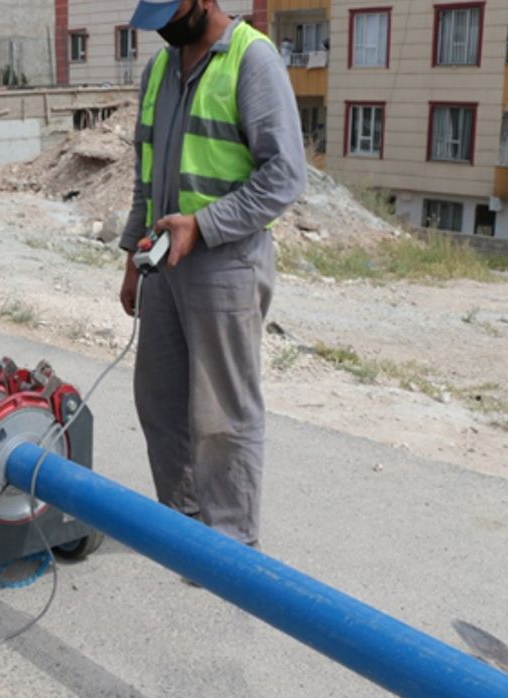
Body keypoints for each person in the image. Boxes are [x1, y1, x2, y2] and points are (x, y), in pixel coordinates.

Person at [119, 0, 305, 551]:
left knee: (223, 413)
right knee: (159, 400)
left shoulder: (252, 60)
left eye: (171, 16)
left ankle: (229, 546)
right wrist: (132, 259)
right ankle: (182, 525)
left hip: (225, 263)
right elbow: (144, 175)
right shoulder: (159, 69)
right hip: (162, 262)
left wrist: (203, 225)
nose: (165, 32)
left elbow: (285, 176)